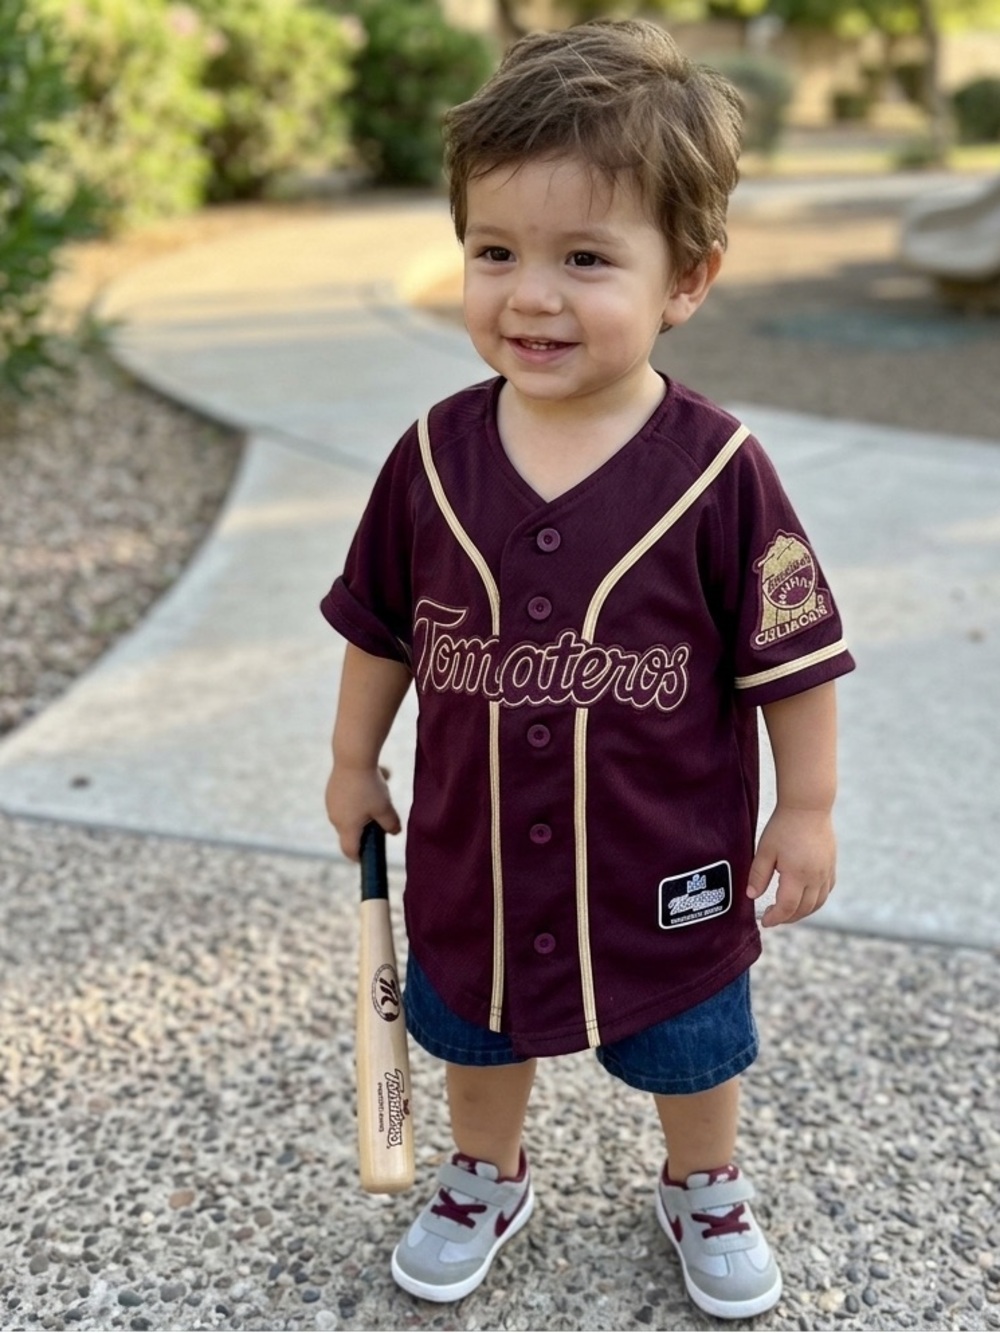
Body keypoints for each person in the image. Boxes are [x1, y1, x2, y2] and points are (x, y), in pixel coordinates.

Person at [321, 18, 855, 1321]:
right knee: (475, 1030)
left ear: (688, 278)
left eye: (585, 258)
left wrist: (808, 803)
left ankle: (705, 1178)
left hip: (659, 856)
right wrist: (351, 758)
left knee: (691, 1035)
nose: (531, 294)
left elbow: (792, 657)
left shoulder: (721, 474)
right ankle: (483, 1168)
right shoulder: (432, 457)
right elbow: (381, 625)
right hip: (474, 852)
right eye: (493, 251)